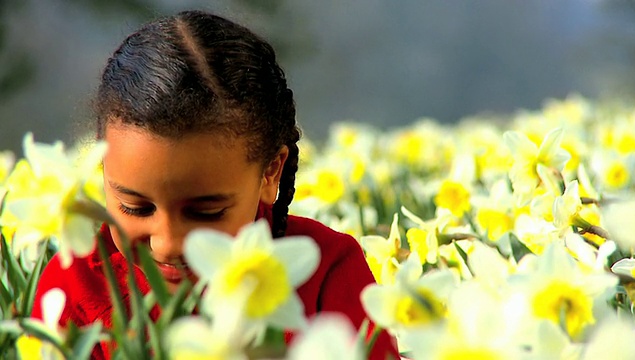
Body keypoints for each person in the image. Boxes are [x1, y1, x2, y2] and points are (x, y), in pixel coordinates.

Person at [32, 9, 398, 360]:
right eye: (136, 207)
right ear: (103, 170)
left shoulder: (328, 271)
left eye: (205, 212)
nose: (168, 242)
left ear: (271, 172)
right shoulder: (73, 291)